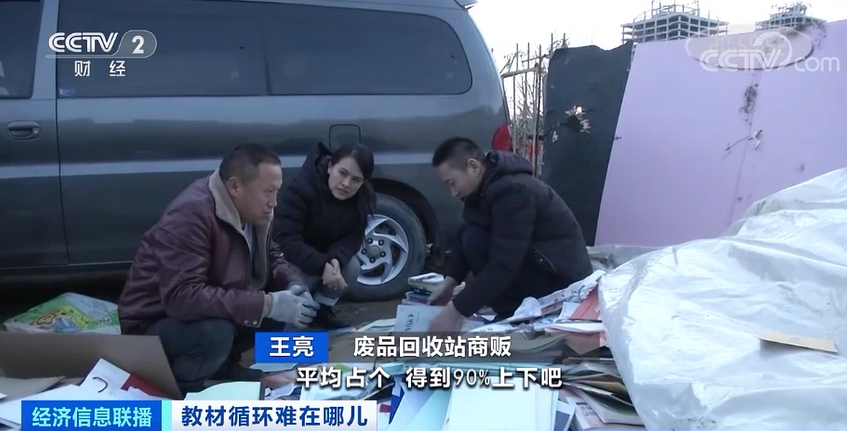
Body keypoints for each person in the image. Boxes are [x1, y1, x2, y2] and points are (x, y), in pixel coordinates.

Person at [118, 144, 320, 396]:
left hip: (207, 308)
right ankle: (182, 390)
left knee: (277, 311)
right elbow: (182, 297)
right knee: (217, 332)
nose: (274, 202)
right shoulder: (189, 216)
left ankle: (221, 369)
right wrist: (267, 304)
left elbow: (272, 256)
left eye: (276, 191)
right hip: (153, 325)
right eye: (268, 192)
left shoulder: (254, 211)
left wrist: (293, 285)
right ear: (234, 186)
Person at [427, 137, 593, 332]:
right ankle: (509, 309)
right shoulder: (485, 189)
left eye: (453, 183)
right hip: (537, 266)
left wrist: (455, 312)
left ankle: (513, 312)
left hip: (561, 283)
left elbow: (504, 264)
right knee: (472, 236)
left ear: (473, 167)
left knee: (480, 243)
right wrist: (449, 283)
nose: (453, 193)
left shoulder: (513, 192)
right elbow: (467, 234)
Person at [274, 142, 377, 329]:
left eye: (356, 180)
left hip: (325, 260)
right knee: (296, 320)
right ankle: (284, 333)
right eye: (342, 173)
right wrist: (322, 265)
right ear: (330, 167)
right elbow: (285, 241)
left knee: (352, 266)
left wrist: (336, 258)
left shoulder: (362, 198)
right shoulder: (300, 190)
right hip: (290, 262)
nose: (346, 184)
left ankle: (321, 312)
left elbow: (353, 238)